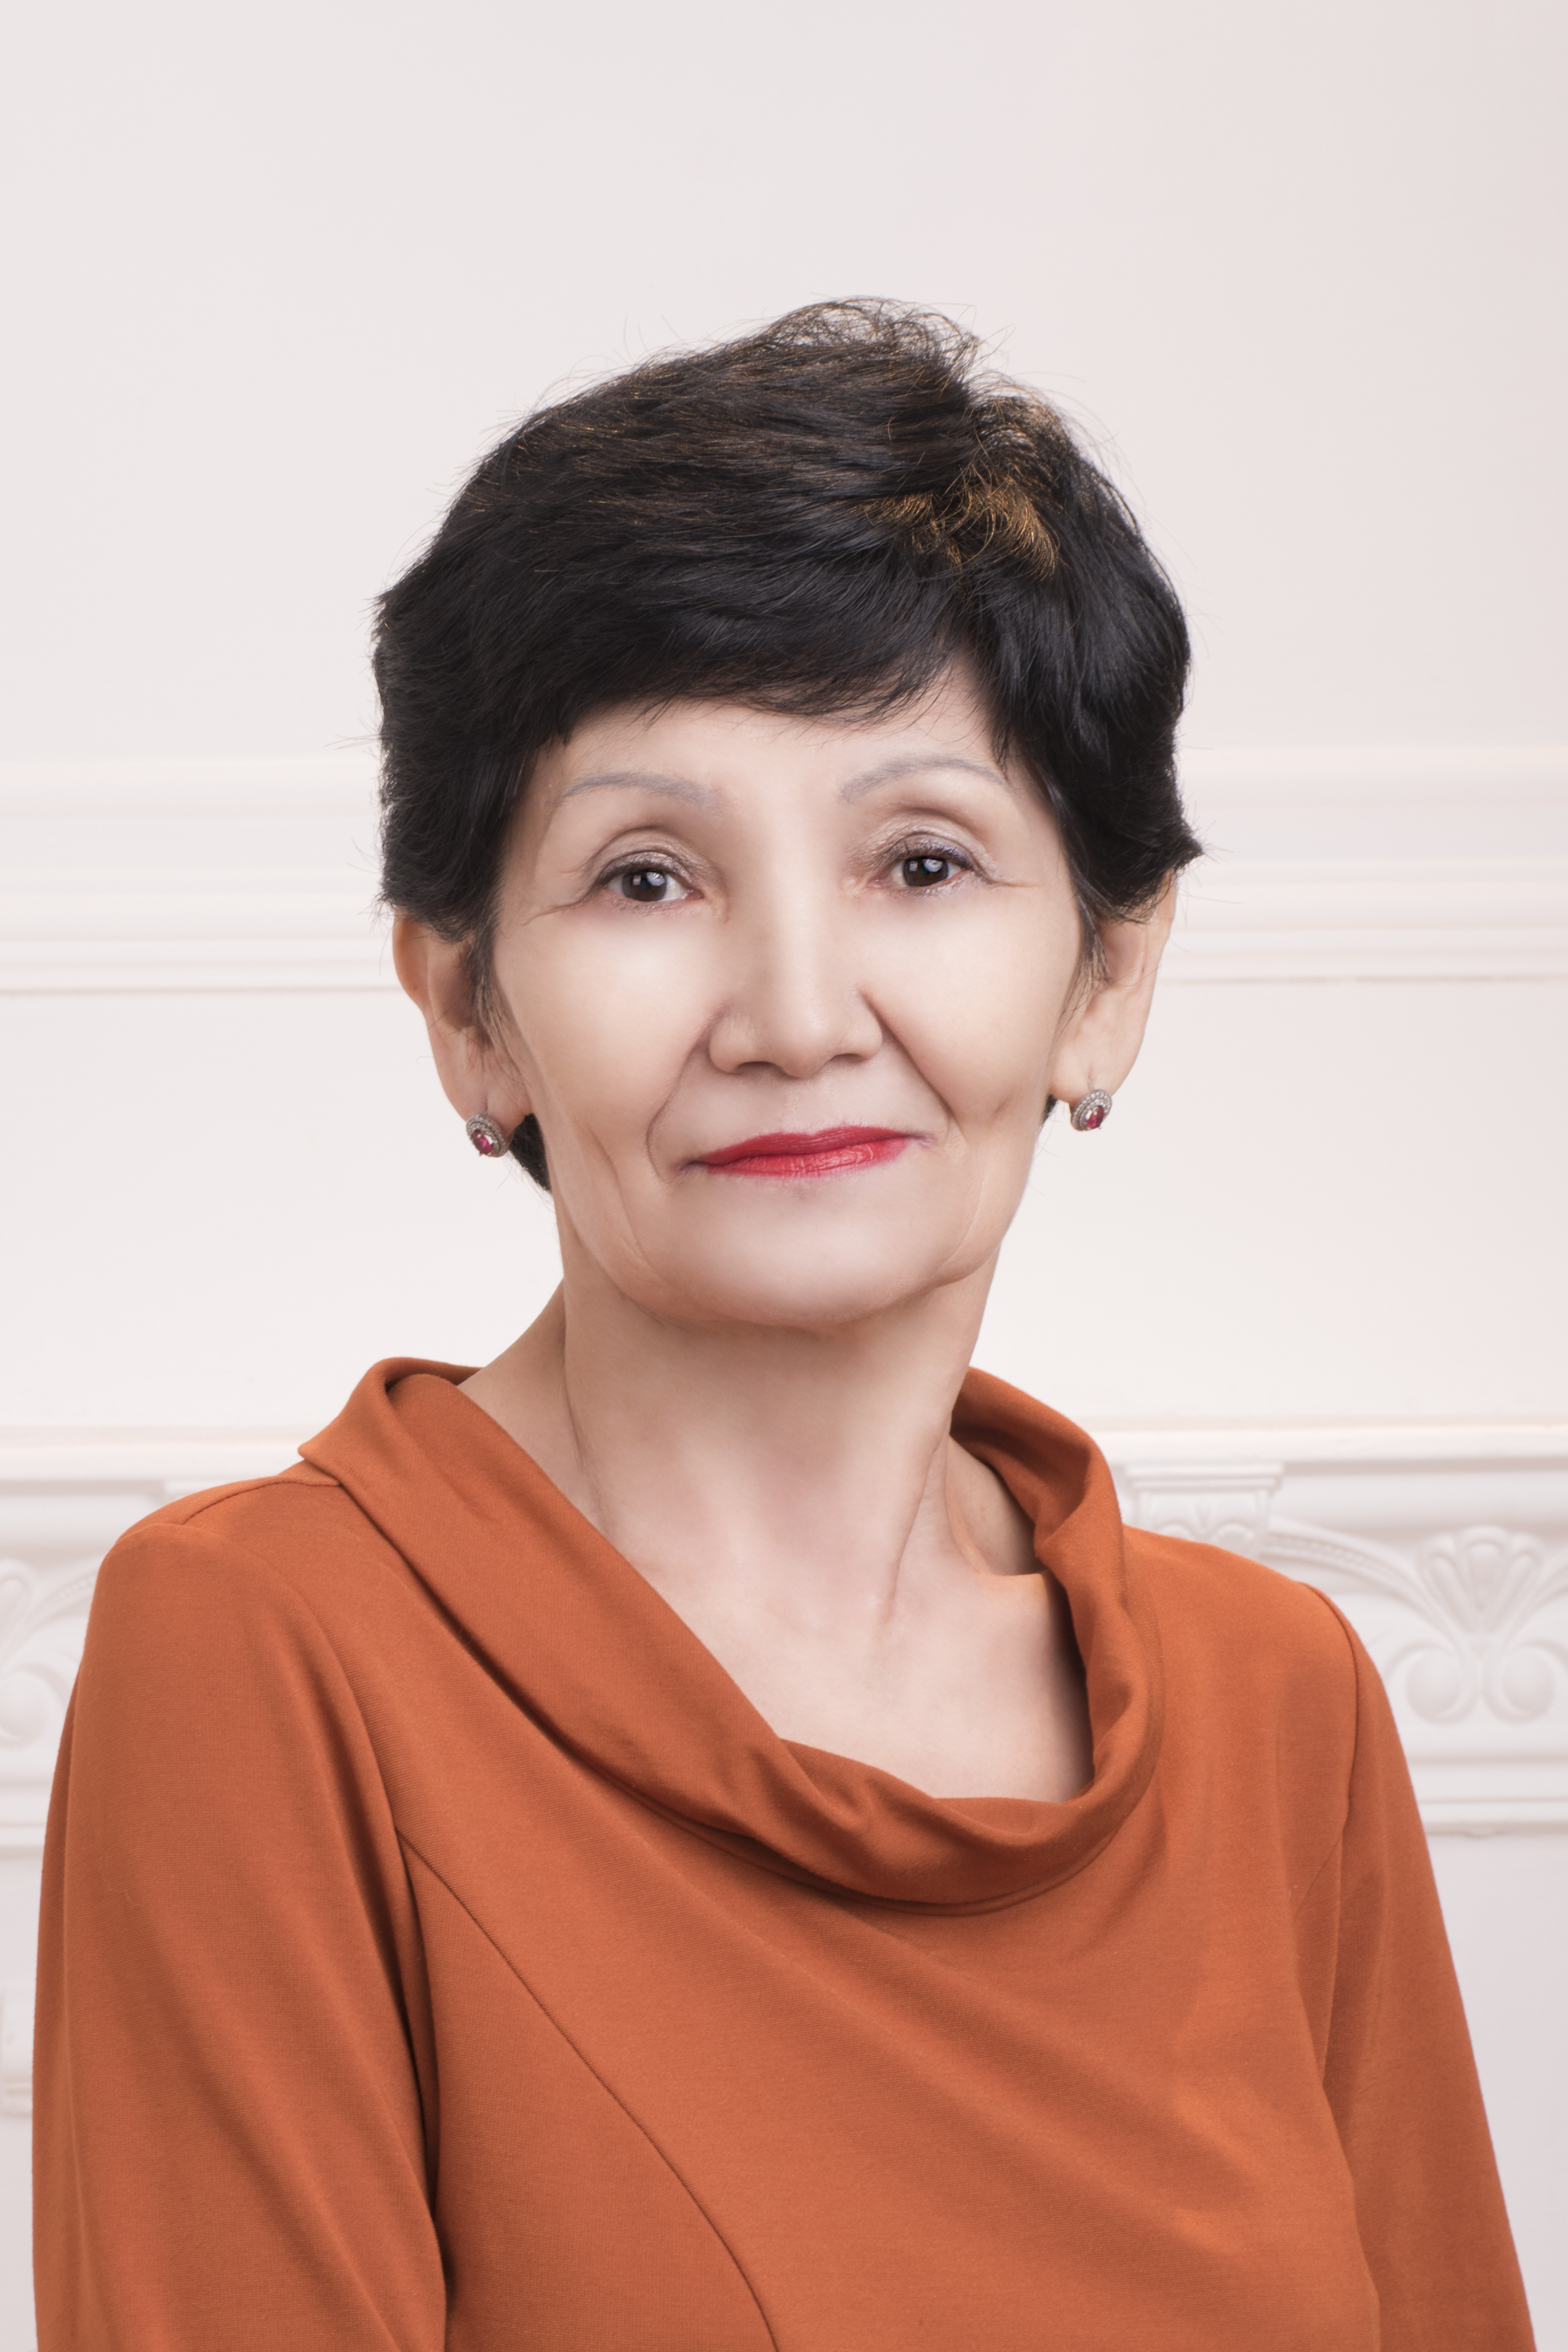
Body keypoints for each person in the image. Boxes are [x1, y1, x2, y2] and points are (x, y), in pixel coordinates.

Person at [33, 303, 1533, 2350]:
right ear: (468, 1010)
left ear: (1105, 978)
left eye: (921, 860)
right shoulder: (270, 1654)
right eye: (647, 880)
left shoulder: (1276, 1697)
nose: (798, 1014)